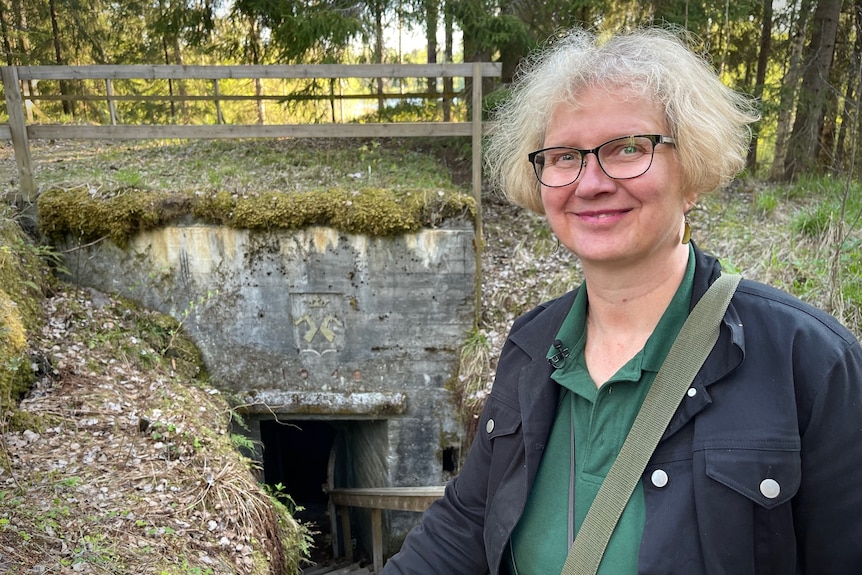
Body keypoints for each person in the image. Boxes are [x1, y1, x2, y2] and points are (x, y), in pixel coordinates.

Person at [381, 26, 862, 575]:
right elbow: (463, 527)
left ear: (693, 171)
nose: (590, 183)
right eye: (565, 156)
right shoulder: (531, 347)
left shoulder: (811, 363)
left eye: (629, 148)